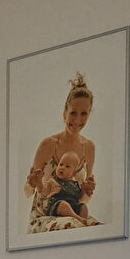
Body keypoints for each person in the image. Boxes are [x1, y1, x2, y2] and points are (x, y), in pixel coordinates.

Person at [25, 73, 99, 230]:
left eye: (84, 113)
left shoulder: (89, 147)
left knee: (96, 227)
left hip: (72, 213)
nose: (77, 119)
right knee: (73, 225)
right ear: (65, 112)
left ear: (89, 114)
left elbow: (82, 199)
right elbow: (28, 192)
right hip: (45, 215)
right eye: (73, 113)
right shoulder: (48, 144)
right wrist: (31, 184)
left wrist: (87, 192)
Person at [36, 151, 96, 225]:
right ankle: (78, 219)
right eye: (61, 164)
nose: (62, 168)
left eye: (67, 166)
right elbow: (43, 191)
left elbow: (80, 198)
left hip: (73, 206)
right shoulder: (52, 182)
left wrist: (85, 190)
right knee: (64, 205)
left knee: (83, 206)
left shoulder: (76, 184)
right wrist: (39, 182)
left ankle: (83, 221)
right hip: (57, 206)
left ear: (73, 173)